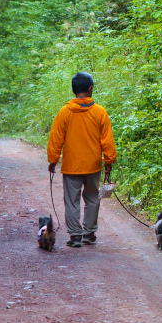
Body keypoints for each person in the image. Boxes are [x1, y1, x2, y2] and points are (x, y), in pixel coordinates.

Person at [47, 72, 117, 248]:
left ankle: (75, 236)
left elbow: (56, 139)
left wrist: (53, 160)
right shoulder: (100, 112)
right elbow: (107, 140)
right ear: (90, 88)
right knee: (92, 198)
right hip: (93, 165)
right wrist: (109, 161)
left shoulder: (64, 112)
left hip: (71, 166)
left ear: (73, 90)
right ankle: (89, 233)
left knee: (72, 201)